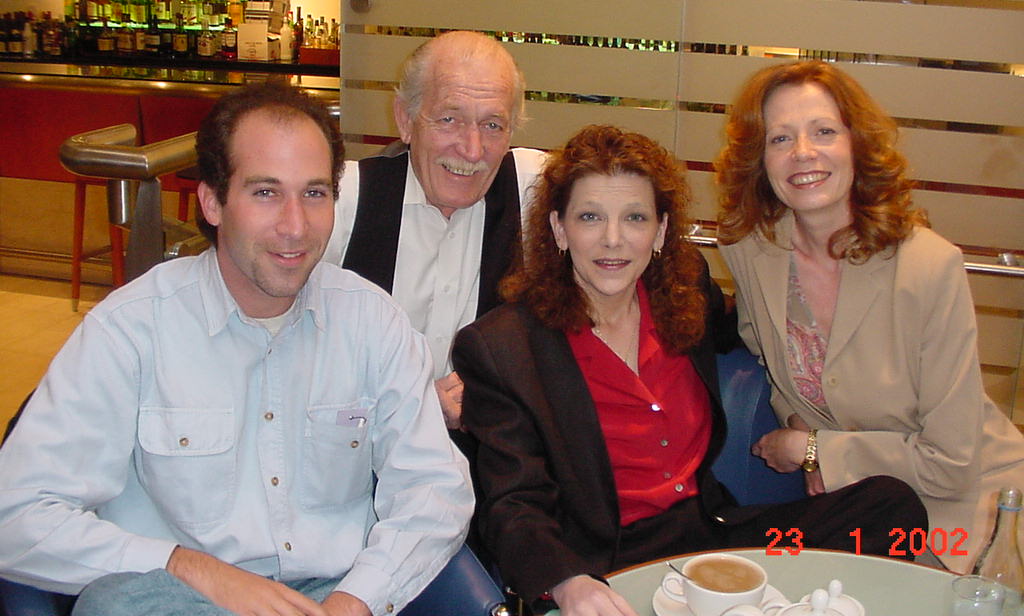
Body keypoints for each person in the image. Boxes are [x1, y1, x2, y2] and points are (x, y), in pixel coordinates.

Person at [0, 83, 473, 616]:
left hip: (335, 593)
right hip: (173, 597)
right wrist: (189, 566)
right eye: (265, 192)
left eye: (314, 193)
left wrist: (356, 600)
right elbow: (14, 517)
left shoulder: (373, 323)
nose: (295, 226)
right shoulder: (131, 329)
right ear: (212, 202)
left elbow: (434, 491)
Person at [453, 124, 926, 616]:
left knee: (892, 508)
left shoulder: (684, 294)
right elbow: (512, 503)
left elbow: (767, 343)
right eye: (590, 217)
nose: (612, 240)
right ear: (558, 229)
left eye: (634, 217)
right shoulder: (504, 347)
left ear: (659, 232)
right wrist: (569, 583)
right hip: (608, 565)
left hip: (710, 537)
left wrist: (809, 430)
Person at [715, 60, 1024, 572]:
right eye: (780, 138)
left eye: (824, 131)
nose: (803, 153)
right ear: (759, 159)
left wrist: (812, 449)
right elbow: (774, 364)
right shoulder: (752, 250)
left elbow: (951, 465)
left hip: (974, 521)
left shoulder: (928, 266)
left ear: (856, 145)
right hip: (861, 511)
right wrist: (808, 436)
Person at [324, 30, 546, 430]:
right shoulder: (343, 202)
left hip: (488, 473)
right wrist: (417, 405)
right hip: (361, 464)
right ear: (405, 120)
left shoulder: (533, 190)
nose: (472, 149)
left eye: (493, 125)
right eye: (449, 119)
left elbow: (629, 196)